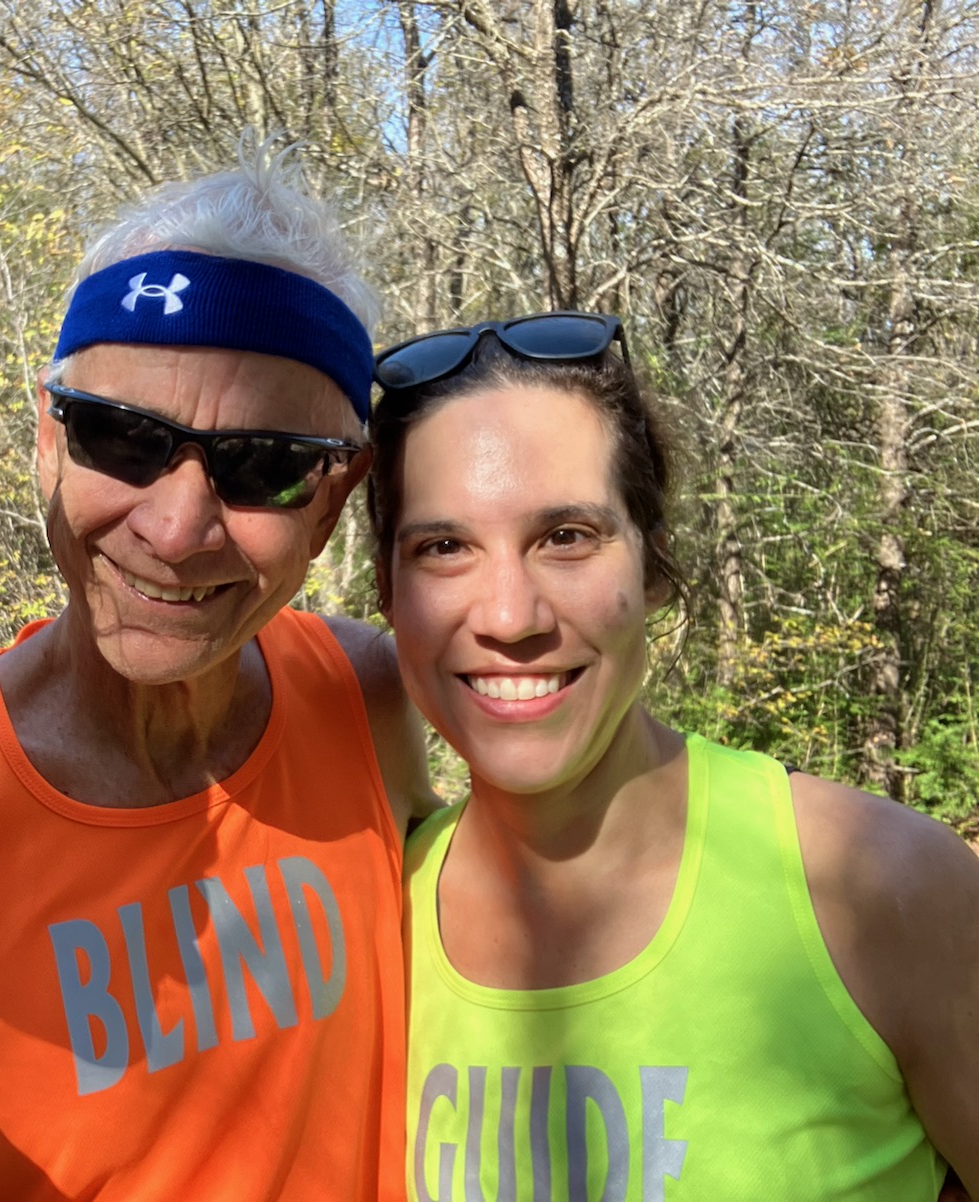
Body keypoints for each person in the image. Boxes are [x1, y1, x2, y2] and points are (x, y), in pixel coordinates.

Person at [0, 143, 433, 1200]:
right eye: (122, 438)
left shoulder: (364, 698)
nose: (177, 530)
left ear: (333, 498)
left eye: (264, 466)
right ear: (47, 436)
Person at [367, 312, 979, 1200]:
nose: (509, 616)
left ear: (652, 567)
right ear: (388, 591)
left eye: (566, 537)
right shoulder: (368, 927)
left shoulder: (875, 890)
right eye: (444, 547)